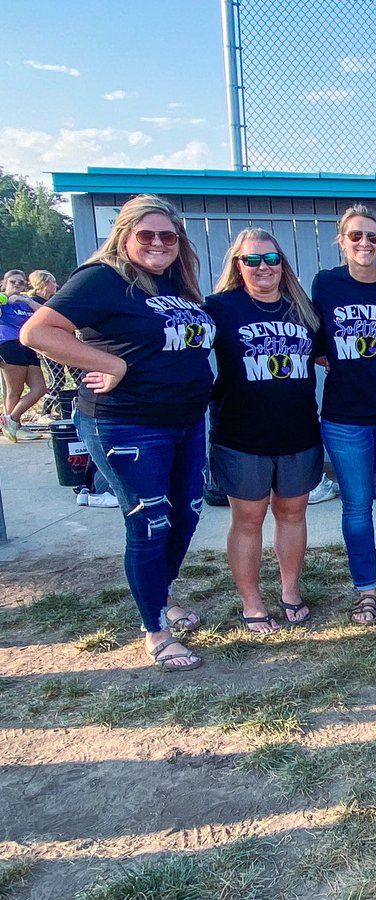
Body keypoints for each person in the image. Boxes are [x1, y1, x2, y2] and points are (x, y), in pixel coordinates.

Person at [21, 194, 214, 670]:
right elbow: (37, 333)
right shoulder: (102, 279)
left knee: (186, 515)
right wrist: (110, 363)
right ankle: (156, 631)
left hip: (185, 420)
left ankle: (161, 597)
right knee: (149, 522)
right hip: (128, 422)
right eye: (145, 234)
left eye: (168, 236)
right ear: (124, 235)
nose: (157, 243)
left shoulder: (173, 282)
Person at [206, 229, 323, 633]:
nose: (262, 268)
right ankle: (251, 601)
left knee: (293, 513)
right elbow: (173, 348)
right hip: (242, 435)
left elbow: (334, 356)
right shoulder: (220, 308)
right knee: (248, 518)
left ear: (282, 264)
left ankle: (290, 591)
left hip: (298, 431)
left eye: (271, 259)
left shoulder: (302, 309)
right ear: (237, 266)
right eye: (251, 260)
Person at [311, 204, 376, 625]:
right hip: (344, 416)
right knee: (356, 505)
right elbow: (315, 338)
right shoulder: (326, 284)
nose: (364, 243)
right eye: (355, 236)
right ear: (342, 240)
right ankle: (364, 589)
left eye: (372, 236)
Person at [28, 270, 83, 419]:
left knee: (79, 376)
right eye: (53, 282)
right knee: (57, 379)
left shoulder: (54, 300)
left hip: (67, 344)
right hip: (49, 346)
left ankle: (74, 407)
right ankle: (45, 411)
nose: (56, 285)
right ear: (44, 284)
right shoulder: (33, 301)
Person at [0, 269, 47, 440]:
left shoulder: (25, 301)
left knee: (40, 388)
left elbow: (44, 312)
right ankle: (15, 426)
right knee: (15, 390)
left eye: (21, 282)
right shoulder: (3, 301)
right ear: (4, 283)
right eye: (13, 282)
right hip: (9, 344)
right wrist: (5, 299)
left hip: (28, 345)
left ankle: (11, 420)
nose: (17, 285)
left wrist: (23, 298)